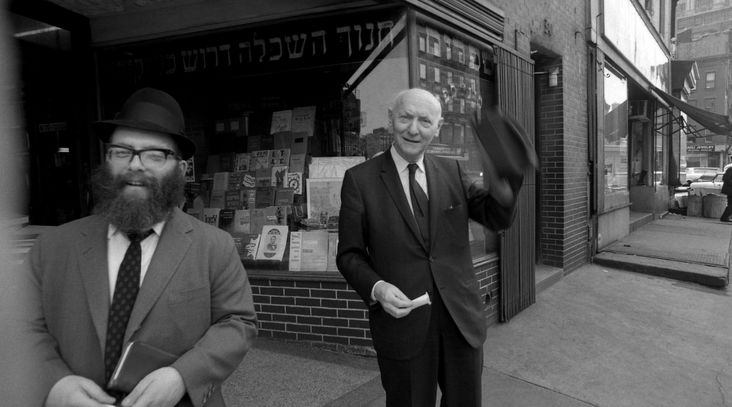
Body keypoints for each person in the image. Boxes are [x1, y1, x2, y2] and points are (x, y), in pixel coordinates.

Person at [16, 88, 257, 407]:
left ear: (180, 169)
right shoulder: (51, 248)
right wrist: (53, 383)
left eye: (155, 155)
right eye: (122, 151)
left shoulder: (214, 246)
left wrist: (181, 377)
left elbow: (237, 323)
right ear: (107, 159)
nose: (136, 165)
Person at [336, 88, 531, 406]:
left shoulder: (452, 170)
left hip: (460, 322)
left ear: (437, 127)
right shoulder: (360, 180)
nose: (413, 129)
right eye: (405, 117)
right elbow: (349, 254)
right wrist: (377, 288)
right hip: (403, 325)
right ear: (390, 120)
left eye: (424, 121)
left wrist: (506, 178)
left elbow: (495, 216)